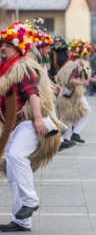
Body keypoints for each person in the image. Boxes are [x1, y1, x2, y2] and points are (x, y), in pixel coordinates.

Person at [0, 21, 61, 232]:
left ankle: (30, 200)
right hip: (16, 126)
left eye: (8, 45)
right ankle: (21, 220)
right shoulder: (5, 69)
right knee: (11, 167)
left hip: (28, 123)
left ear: (18, 48)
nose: (3, 48)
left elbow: (32, 93)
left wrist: (36, 118)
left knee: (16, 157)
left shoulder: (22, 66)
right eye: (1, 45)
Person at [55, 39, 93, 144]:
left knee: (72, 116)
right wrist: (83, 83)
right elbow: (70, 79)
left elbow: (80, 77)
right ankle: (71, 135)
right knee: (80, 113)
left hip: (74, 93)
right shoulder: (76, 63)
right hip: (72, 94)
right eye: (87, 52)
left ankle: (68, 137)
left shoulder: (75, 62)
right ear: (82, 53)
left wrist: (92, 80)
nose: (89, 54)